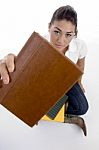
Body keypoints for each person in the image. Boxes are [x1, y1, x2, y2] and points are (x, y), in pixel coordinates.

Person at [0, 5, 88, 136]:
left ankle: (45, 112)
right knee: (32, 102)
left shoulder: (80, 45)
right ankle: (43, 111)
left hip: (67, 77)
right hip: (44, 81)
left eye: (68, 35)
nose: (61, 40)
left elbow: (80, 66)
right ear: (49, 27)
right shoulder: (38, 45)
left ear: (75, 34)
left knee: (82, 108)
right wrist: (9, 60)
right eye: (56, 32)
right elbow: (24, 71)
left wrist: (79, 82)